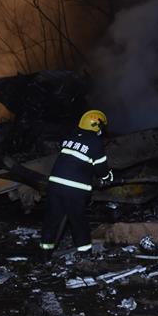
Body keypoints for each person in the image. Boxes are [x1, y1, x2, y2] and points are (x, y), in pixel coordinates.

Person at [40, 109, 113, 261]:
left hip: (54, 186)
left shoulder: (70, 137)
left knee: (52, 219)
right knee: (78, 222)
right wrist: (108, 177)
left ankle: (45, 254)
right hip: (74, 190)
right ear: (97, 126)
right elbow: (101, 169)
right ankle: (85, 255)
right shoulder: (95, 142)